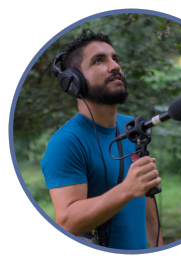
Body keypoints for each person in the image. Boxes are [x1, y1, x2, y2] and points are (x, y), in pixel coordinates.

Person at [40, 31, 163, 250]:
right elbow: (67, 223)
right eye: (99, 60)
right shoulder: (66, 143)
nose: (115, 66)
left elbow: (146, 201)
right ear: (73, 82)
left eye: (115, 59)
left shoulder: (131, 128)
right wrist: (127, 189)